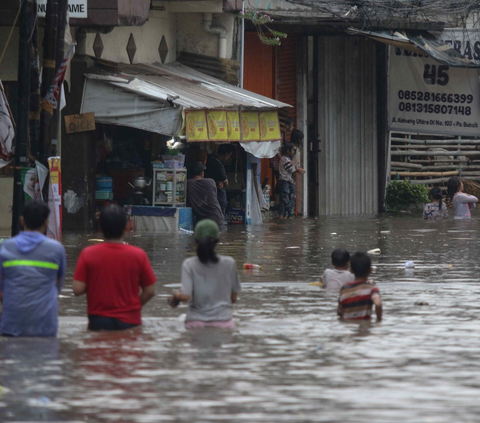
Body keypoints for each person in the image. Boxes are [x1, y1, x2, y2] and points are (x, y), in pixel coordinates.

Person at [73, 204, 156, 331]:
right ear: (127, 227)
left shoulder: (88, 254)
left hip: (98, 321)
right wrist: (134, 307)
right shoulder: (139, 255)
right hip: (130, 321)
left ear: (100, 228)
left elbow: (77, 289)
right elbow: (150, 291)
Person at [0, 201, 66, 337]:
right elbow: (58, 285)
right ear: (47, 222)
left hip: (12, 324)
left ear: (22, 220)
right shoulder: (56, 249)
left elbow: (1, 288)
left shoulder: (6, 247)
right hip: (45, 326)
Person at [168, 219, 241, 329]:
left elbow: (186, 296)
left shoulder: (189, 264)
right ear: (217, 241)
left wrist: (176, 295)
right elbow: (233, 298)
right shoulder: (229, 263)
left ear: (196, 241)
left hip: (195, 323)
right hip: (224, 323)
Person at [337, 252, 382, 321]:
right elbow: (378, 304)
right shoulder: (372, 289)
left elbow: (340, 312)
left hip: (348, 328)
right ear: (371, 270)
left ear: (351, 271)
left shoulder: (344, 289)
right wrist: (378, 320)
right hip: (365, 328)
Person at [187, 162, 227, 227]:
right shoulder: (210, 182)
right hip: (217, 219)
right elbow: (214, 196)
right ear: (202, 173)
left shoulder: (188, 184)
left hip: (202, 222)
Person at [278, 142, 306, 219]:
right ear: (288, 151)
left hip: (286, 181)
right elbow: (291, 169)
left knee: (285, 199)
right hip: (284, 181)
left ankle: (283, 216)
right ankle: (282, 215)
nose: (294, 152)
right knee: (285, 199)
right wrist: (298, 169)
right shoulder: (284, 159)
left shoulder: (286, 159)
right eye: (293, 150)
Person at [204, 144, 235, 215]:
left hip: (207, 197)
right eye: (229, 155)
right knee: (219, 220)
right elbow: (226, 183)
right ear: (227, 154)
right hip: (218, 198)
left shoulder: (209, 159)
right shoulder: (218, 164)